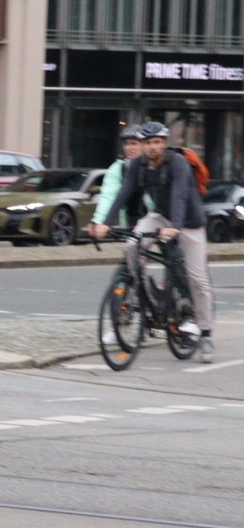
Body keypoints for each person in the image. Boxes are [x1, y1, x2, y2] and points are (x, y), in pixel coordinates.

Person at [104, 122, 213, 357]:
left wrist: (175, 226)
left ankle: (205, 334)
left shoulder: (177, 163)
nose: (152, 147)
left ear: (164, 143)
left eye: (156, 142)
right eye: (147, 143)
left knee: (197, 278)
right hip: (161, 217)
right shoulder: (138, 165)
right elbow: (125, 191)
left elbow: (179, 195)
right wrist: (106, 222)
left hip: (189, 223)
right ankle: (140, 293)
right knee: (133, 244)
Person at [88, 126, 143, 242]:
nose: (129, 148)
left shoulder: (153, 167)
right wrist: (98, 221)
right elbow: (108, 197)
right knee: (132, 251)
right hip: (131, 221)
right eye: (126, 144)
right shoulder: (118, 169)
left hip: (159, 219)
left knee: (172, 254)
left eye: (134, 143)